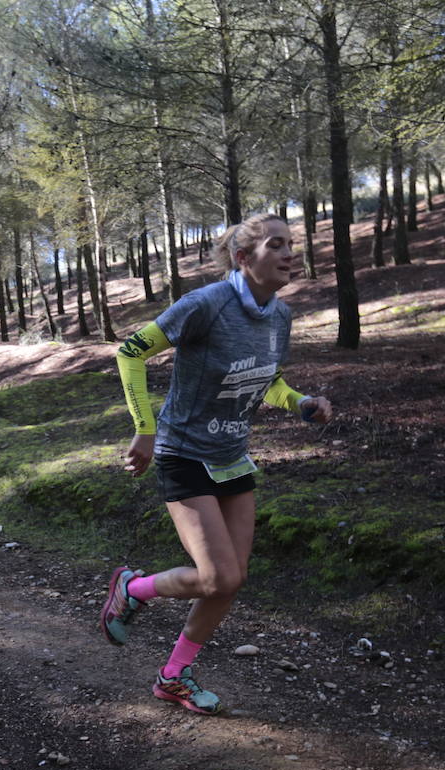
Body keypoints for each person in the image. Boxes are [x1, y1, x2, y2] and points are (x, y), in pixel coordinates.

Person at [99, 213, 332, 716]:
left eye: (292, 243)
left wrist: (301, 402)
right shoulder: (204, 305)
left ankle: (172, 676)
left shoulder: (280, 316)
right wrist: (145, 426)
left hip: (232, 458)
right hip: (183, 453)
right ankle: (133, 587)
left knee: (232, 579)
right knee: (216, 578)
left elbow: (267, 379)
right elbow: (130, 353)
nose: (291, 252)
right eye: (278, 244)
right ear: (244, 257)